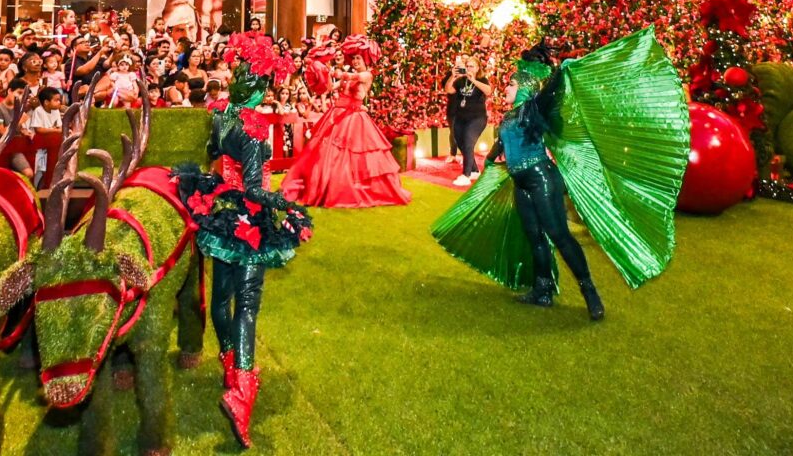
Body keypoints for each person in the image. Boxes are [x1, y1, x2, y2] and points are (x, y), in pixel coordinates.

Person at [431, 30, 691, 316]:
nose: (505, 89)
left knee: (559, 234)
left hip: (542, 179)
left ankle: (589, 292)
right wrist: (489, 165)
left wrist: (562, 72)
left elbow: (552, 92)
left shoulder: (533, 109)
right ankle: (543, 291)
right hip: (521, 183)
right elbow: (501, 143)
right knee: (535, 237)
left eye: (511, 84)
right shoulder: (508, 117)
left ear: (526, 88)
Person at [173, 32, 312, 449]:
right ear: (260, 89)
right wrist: (285, 203)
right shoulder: (253, 129)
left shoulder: (222, 115)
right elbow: (254, 187)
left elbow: (216, 150)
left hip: (220, 212)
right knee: (247, 304)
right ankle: (241, 389)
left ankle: (230, 364)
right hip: (249, 217)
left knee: (221, 298)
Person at [280, 36, 412, 208]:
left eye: (359, 58)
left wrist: (338, 73)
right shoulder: (347, 75)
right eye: (354, 58)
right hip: (336, 115)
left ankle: (348, 188)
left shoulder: (366, 75)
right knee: (326, 153)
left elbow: (353, 77)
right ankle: (328, 186)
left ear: (365, 60)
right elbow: (329, 88)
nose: (356, 60)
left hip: (354, 118)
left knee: (355, 155)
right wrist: (325, 72)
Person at [445, 56, 490, 186]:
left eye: (472, 66)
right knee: (461, 143)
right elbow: (448, 89)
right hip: (460, 117)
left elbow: (488, 91)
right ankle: (475, 170)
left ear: (477, 68)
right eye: (467, 66)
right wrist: (453, 76)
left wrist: (474, 80)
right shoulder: (460, 81)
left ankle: (466, 175)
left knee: (468, 142)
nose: (469, 68)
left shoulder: (482, 80)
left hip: (477, 118)